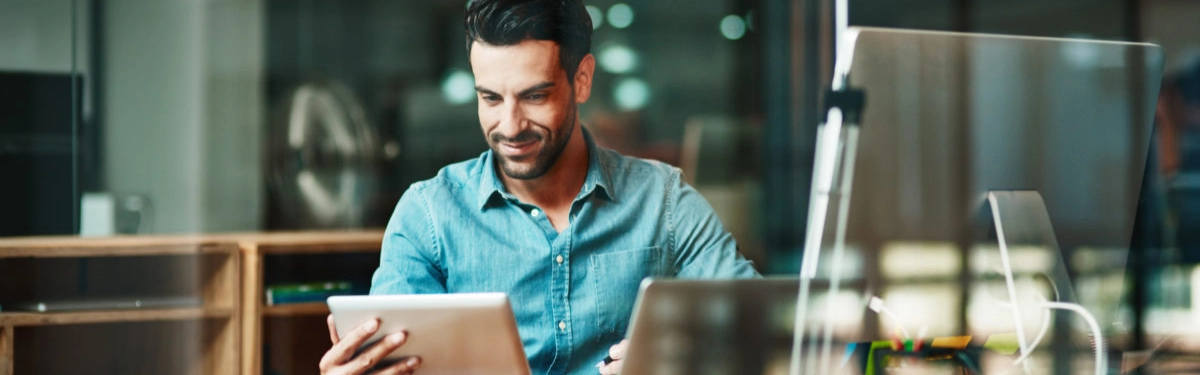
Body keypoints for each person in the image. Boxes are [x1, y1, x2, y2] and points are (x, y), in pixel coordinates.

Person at [319, 0, 759, 374]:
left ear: (581, 79)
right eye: (490, 98)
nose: (510, 126)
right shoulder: (428, 215)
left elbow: (763, 330)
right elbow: (391, 360)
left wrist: (689, 360)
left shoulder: (663, 201)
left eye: (534, 96)